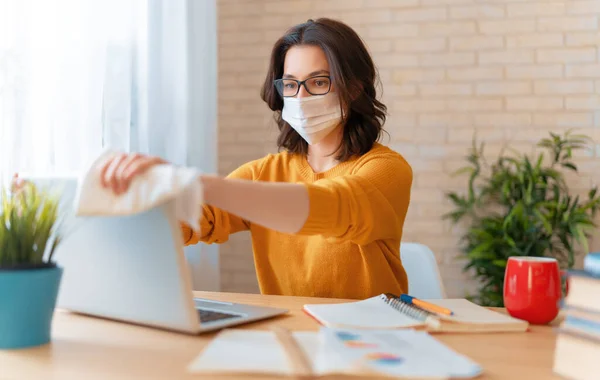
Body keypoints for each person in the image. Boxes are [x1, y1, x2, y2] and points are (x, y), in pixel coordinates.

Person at [97, 18, 413, 300]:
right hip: (292, 335)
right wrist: (137, 203)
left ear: (353, 88)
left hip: (371, 339)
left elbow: (333, 206)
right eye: (290, 85)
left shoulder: (387, 169)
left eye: (318, 82)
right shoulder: (266, 172)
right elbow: (199, 219)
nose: (300, 98)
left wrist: (192, 181)